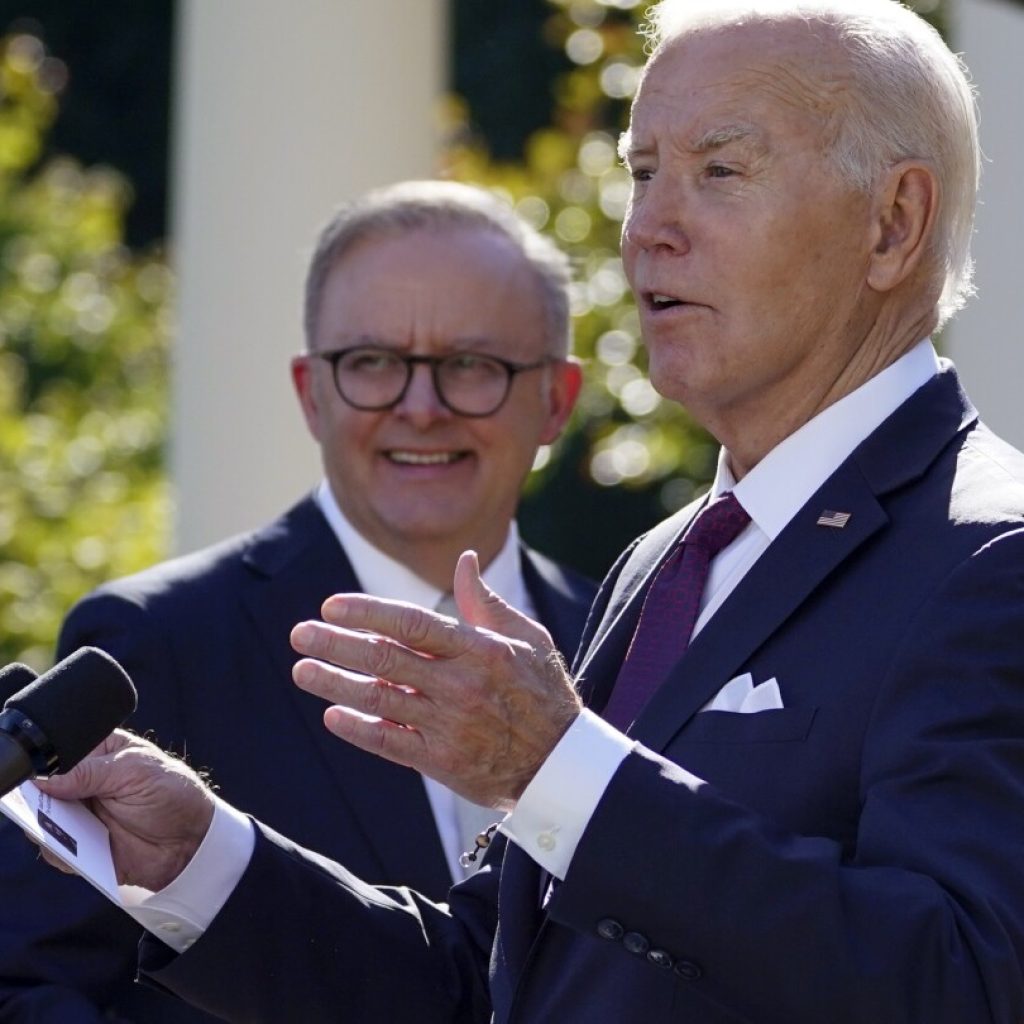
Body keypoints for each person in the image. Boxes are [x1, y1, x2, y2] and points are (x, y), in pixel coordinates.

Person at [33, 0, 1024, 1020]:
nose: (648, 229)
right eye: (641, 173)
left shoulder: (994, 558)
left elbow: (958, 980)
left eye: (718, 171)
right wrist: (200, 855)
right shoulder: (667, 560)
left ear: (893, 222)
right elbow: (491, 980)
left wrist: (563, 771)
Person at [0, 180, 594, 1023]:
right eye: (374, 364)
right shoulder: (158, 646)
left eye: (471, 366)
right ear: (311, 392)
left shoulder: (633, 641)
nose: (419, 409)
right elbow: (25, 988)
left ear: (557, 401)